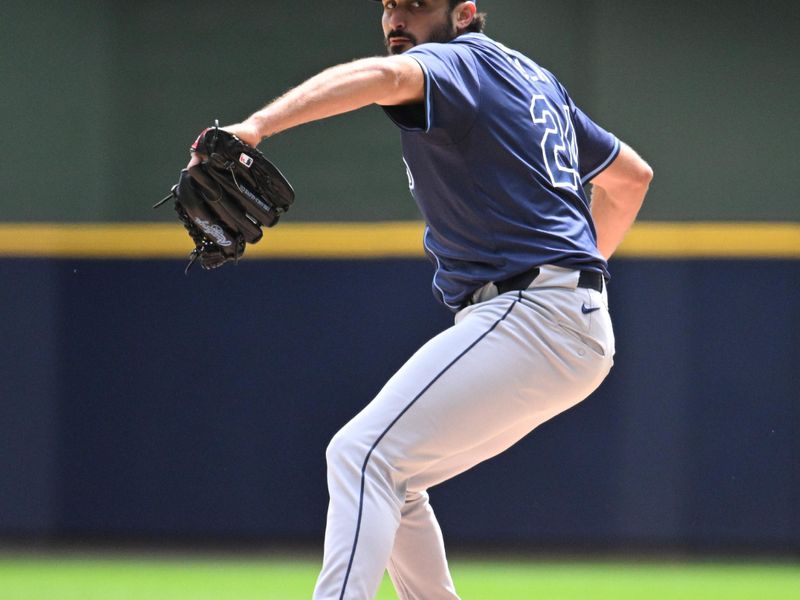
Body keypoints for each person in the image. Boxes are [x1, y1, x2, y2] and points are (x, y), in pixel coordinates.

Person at [190, 1, 652, 598]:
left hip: (534, 313)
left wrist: (253, 129)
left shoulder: (454, 63)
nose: (397, 18)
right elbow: (630, 177)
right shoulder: (534, 80)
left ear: (463, 15)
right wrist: (577, 276)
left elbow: (383, 80)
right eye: (389, 6)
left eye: (416, 5)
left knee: (361, 456)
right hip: (565, 318)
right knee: (396, 476)